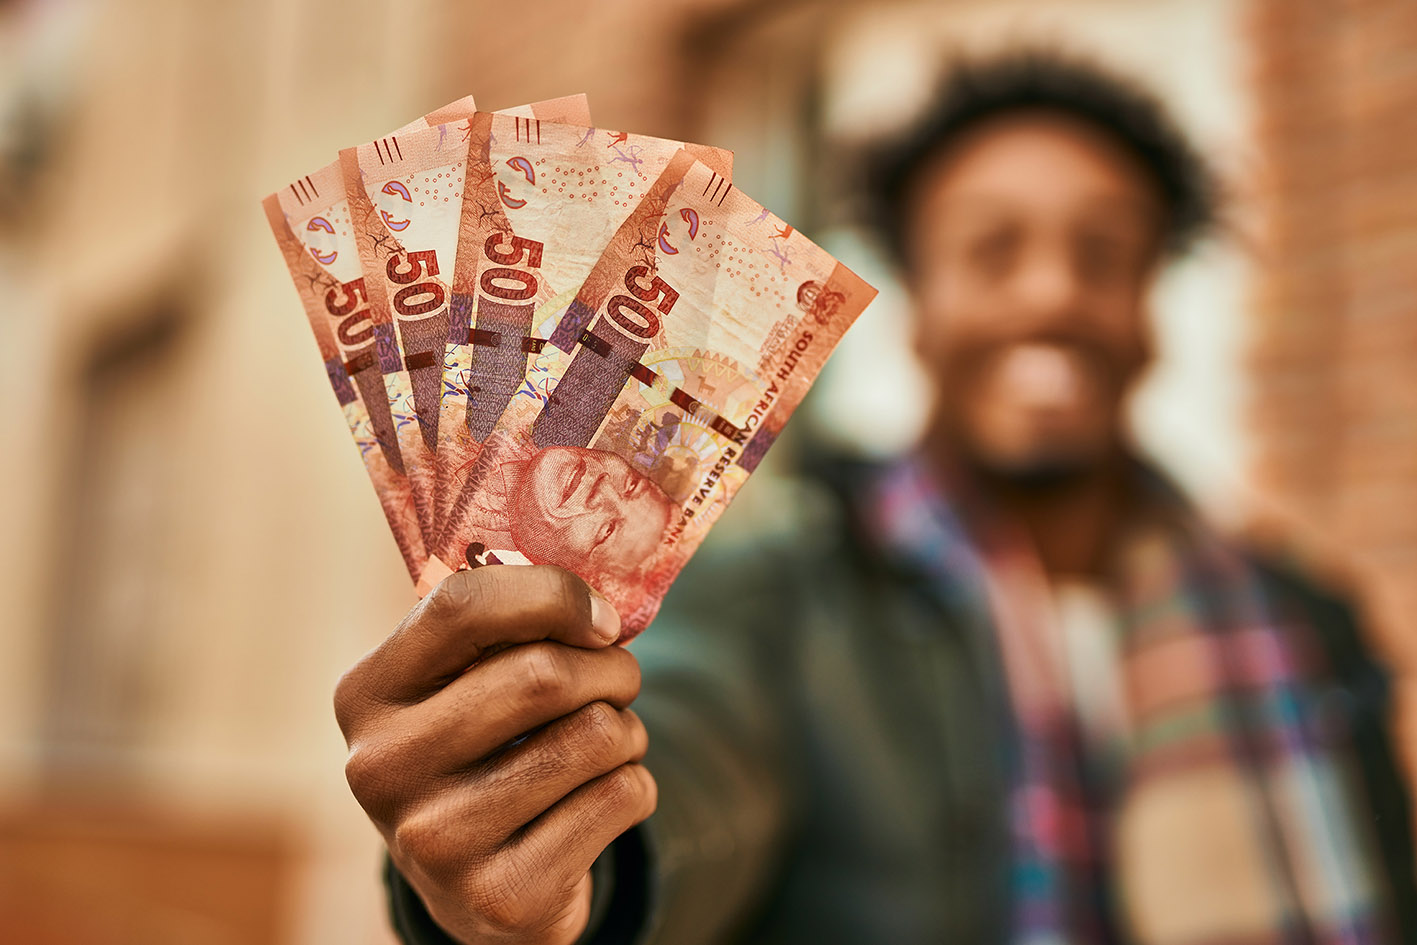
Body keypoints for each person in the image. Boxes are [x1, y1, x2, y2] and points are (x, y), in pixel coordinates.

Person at [333, 49, 1416, 945]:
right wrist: (556, 872)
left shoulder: (1306, 621)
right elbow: (690, 764)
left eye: (1103, 250)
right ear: (922, 302)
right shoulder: (779, 594)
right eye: (993, 249)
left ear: (1146, 303)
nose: (1051, 289)